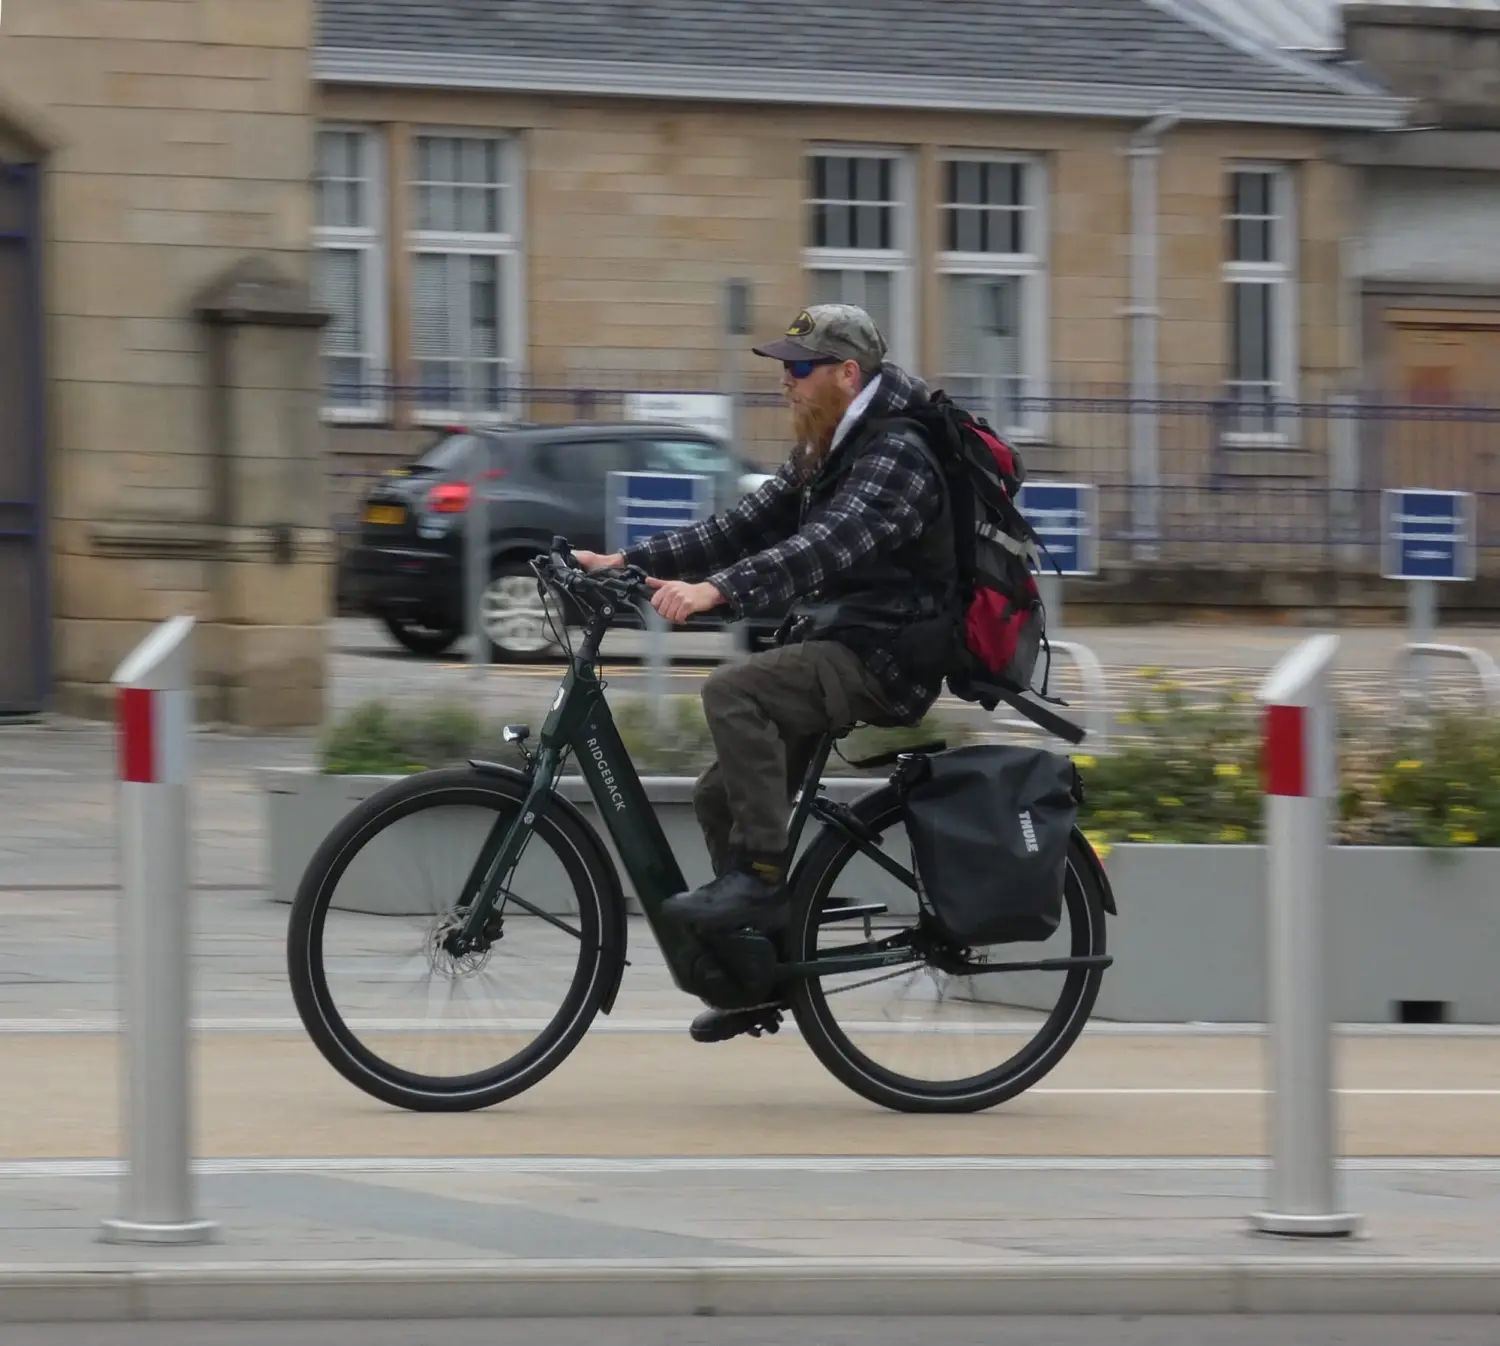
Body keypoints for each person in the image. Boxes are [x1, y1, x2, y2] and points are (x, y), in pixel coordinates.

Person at [573, 303, 954, 933]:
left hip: (889, 655)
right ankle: (753, 959)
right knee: (717, 796)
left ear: (847, 374)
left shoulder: (899, 454)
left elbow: (826, 544)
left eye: (800, 368)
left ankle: (761, 880)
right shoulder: (830, 445)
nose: (785, 381)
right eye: (784, 367)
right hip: (841, 638)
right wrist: (625, 561)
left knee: (733, 691)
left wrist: (717, 591)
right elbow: (744, 524)